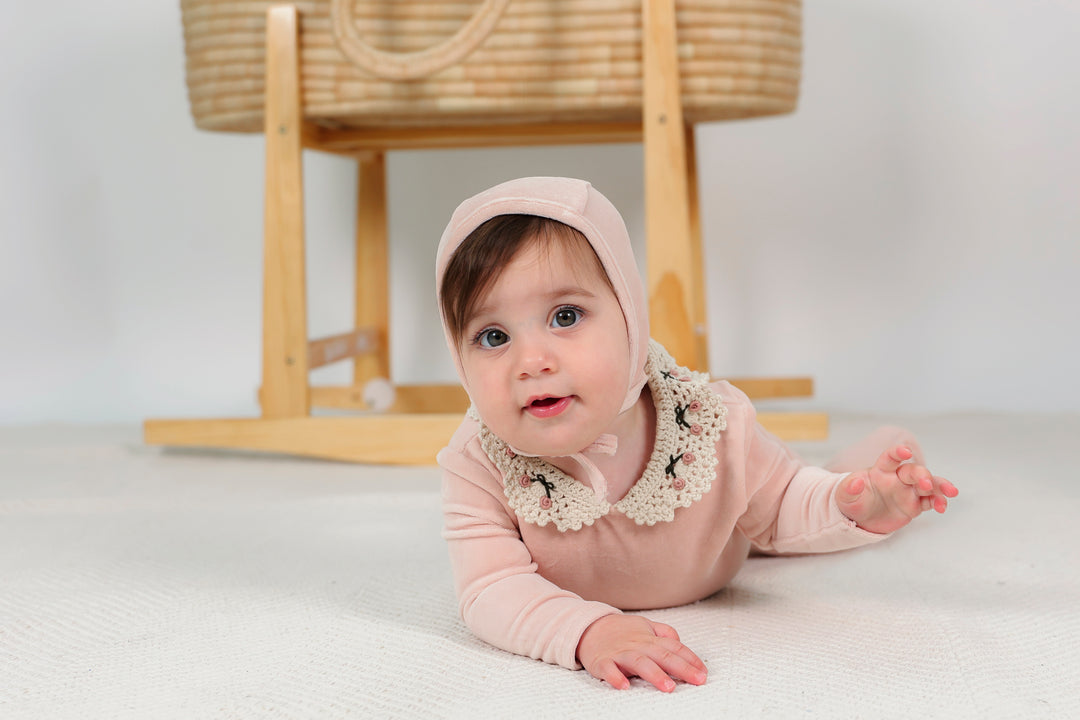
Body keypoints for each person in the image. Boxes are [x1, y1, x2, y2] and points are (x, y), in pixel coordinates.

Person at [434, 177, 958, 692]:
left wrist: (847, 507)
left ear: (630, 317)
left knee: (809, 503)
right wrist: (588, 630)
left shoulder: (706, 420)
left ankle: (870, 481)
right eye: (493, 336)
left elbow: (775, 506)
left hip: (730, 537)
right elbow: (490, 588)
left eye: (565, 316)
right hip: (648, 576)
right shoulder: (478, 459)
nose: (532, 362)